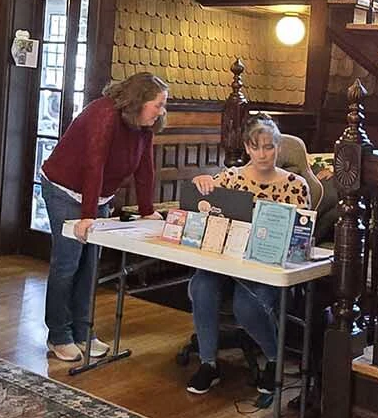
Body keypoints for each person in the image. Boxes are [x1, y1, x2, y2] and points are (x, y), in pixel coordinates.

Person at [183, 114, 320, 395]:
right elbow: (205, 198)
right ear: (247, 147)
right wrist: (201, 181)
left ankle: (273, 359)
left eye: (269, 147)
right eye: (256, 147)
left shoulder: (295, 185)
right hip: (227, 260)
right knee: (201, 286)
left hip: (267, 266)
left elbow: (301, 235)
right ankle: (208, 363)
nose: (262, 154)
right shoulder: (231, 178)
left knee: (247, 305)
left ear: (278, 148)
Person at [38, 72, 168, 362]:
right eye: (158, 104)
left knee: (90, 265)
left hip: (98, 196)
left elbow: (144, 168)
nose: (162, 111)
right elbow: (93, 164)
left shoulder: (145, 124)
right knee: (68, 262)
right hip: (65, 189)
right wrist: (87, 216)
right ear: (139, 101)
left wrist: (147, 210)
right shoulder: (105, 113)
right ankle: (58, 335)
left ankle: (83, 331)